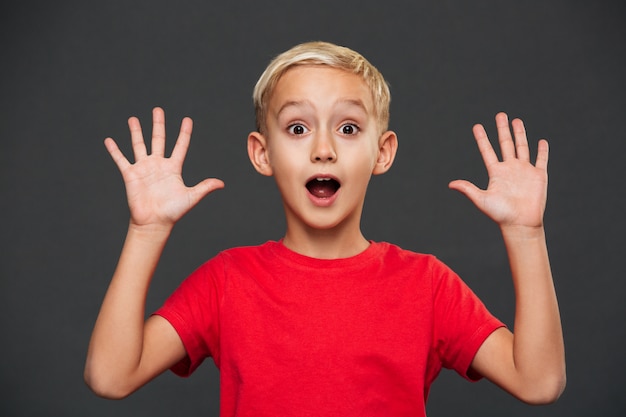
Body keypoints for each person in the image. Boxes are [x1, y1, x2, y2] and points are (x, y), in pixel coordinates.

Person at [84, 41, 566, 416]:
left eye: (348, 128)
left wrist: (526, 234)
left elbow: (539, 382)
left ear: (383, 152)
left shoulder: (427, 285)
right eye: (297, 128)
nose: (323, 149)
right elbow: (110, 376)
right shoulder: (227, 280)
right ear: (262, 153)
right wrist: (146, 232)